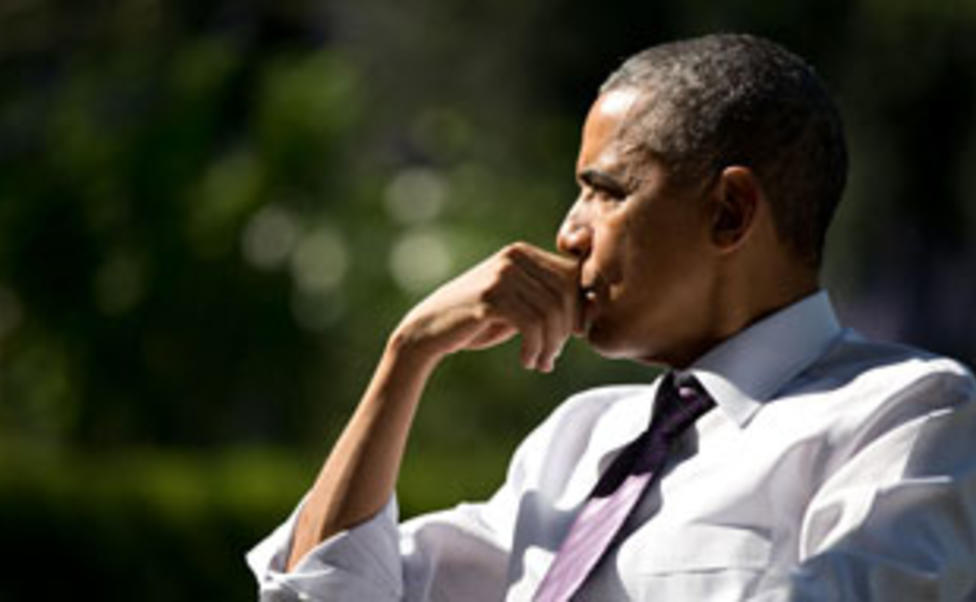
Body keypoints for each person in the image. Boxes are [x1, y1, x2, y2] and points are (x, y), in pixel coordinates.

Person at [247, 33, 976, 600]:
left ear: (730, 212)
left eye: (607, 191)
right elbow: (322, 595)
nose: (568, 232)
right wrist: (407, 354)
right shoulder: (578, 440)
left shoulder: (909, 413)